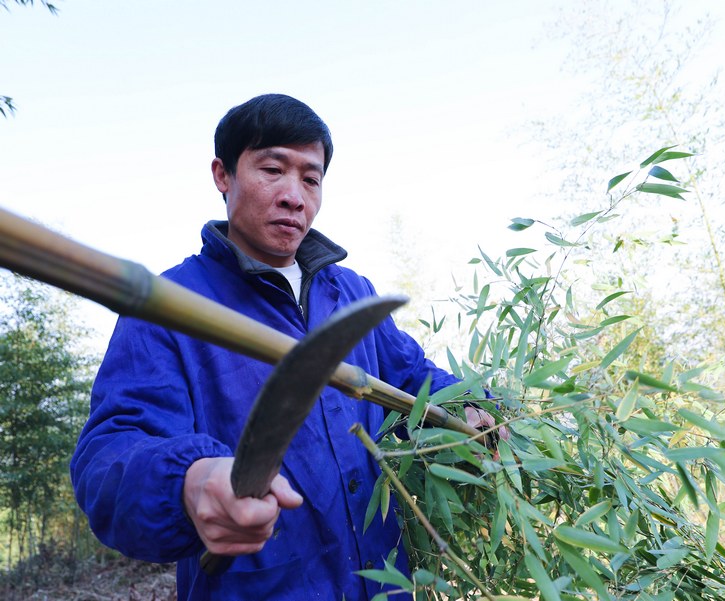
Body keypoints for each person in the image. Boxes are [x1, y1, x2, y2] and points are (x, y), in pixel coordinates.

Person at [70, 94, 500, 601]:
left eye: (311, 179)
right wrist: (190, 481)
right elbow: (109, 457)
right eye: (273, 169)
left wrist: (473, 408)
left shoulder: (350, 295)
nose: (295, 196)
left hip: (387, 586)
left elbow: (415, 381)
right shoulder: (168, 309)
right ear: (222, 175)